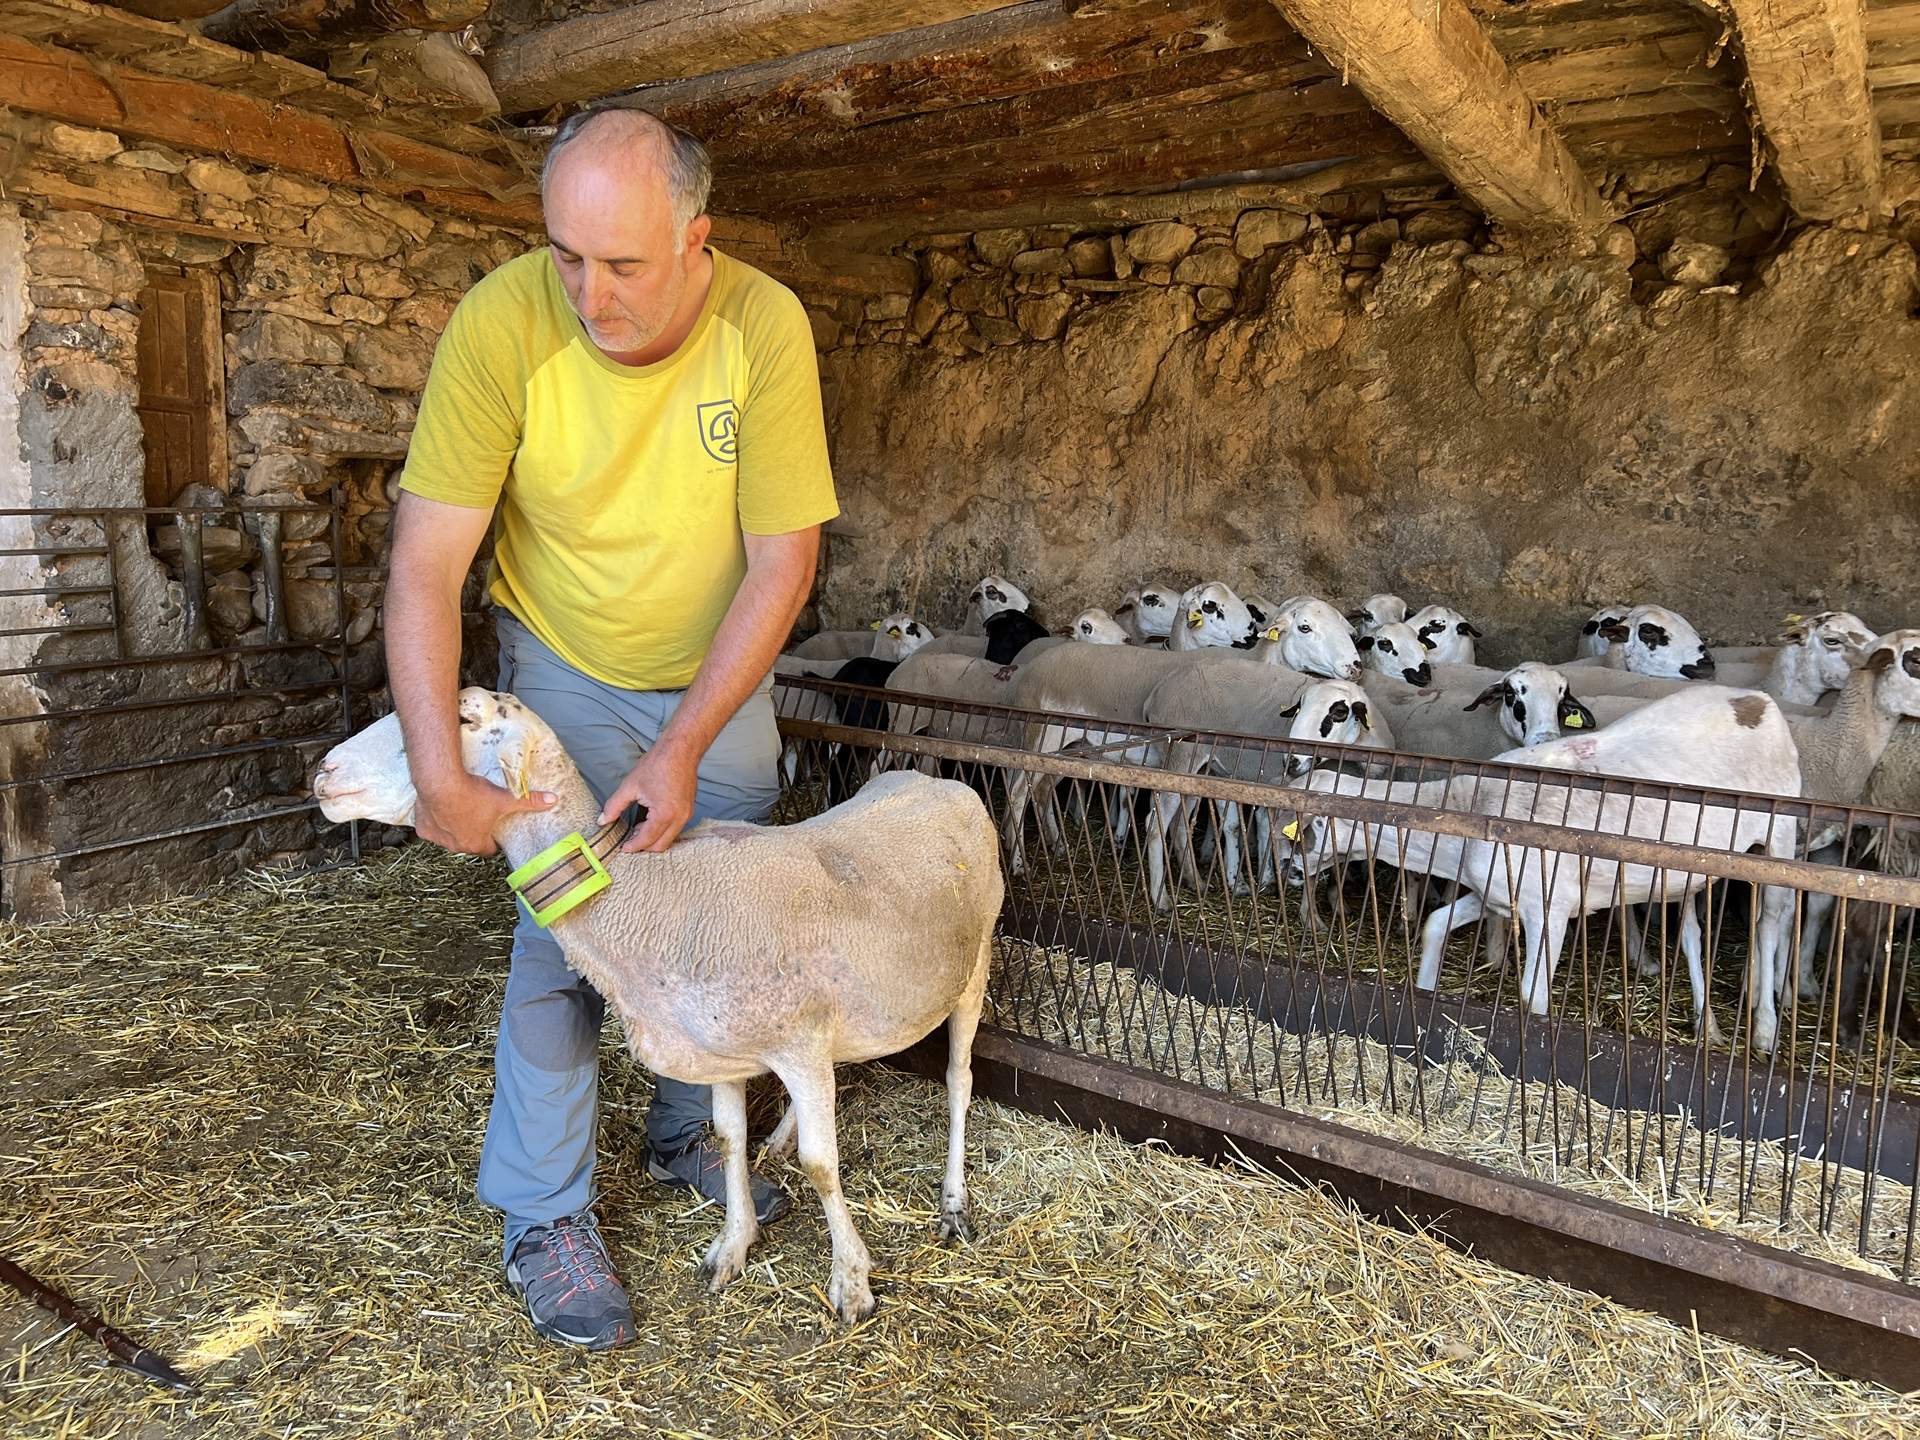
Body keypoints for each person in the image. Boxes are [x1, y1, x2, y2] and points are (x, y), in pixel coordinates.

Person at [384, 106, 838, 1350]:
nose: (588, 291)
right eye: (566, 255)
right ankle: (544, 1214)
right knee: (570, 925)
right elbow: (427, 563)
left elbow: (781, 563)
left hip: (713, 669)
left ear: (700, 239)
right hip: (569, 655)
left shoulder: (763, 327)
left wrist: (686, 742)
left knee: (716, 906)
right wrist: (436, 768)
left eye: (624, 263)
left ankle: (690, 1121)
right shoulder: (504, 321)